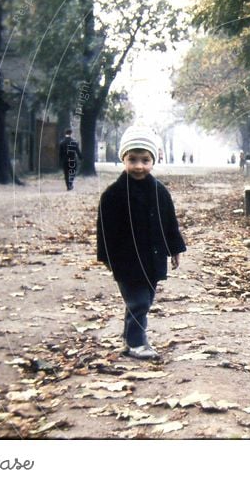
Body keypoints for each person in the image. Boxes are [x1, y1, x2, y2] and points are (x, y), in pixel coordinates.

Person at [96, 126, 187, 360]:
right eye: (133, 160)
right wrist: (107, 257)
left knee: (144, 299)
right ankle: (137, 343)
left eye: (145, 160)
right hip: (125, 260)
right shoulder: (114, 194)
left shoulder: (159, 192)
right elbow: (105, 229)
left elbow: (169, 222)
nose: (139, 166)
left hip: (153, 258)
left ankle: (129, 339)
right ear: (123, 159)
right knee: (139, 302)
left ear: (153, 161)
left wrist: (175, 248)